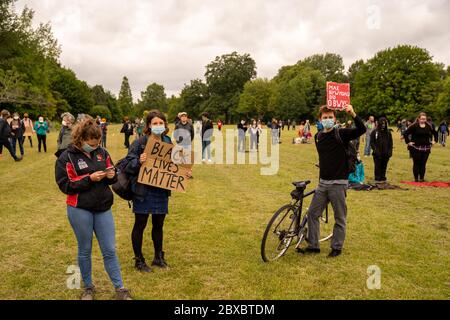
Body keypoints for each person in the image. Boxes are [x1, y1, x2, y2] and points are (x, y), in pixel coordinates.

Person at [55, 116, 132, 300]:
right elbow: (65, 185)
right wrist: (89, 179)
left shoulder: (102, 152)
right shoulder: (66, 157)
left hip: (103, 207)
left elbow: (112, 178)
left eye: (97, 143)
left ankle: (120, 289)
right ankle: (88, 287)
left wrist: (112, 175)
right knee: (84, 249)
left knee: (109, 250)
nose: (95, 146)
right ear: (80, 139)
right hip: (79, 208)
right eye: (91, 143)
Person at [123, 110, 192, 272]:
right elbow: (127, 164)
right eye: (155, 123)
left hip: (161, 189)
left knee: (158, 224)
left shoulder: (168, 141)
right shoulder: (140, 142)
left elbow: (176, 163)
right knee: (140, 224)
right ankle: (139, 260)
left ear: (165, 125)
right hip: (143, 190)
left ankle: (158, 257)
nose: (158, 126)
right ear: (148, 125)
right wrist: (139, 161)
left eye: (161, 123)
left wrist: (185, 172)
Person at [301, 105, 366, 258]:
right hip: (323, 183)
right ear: (320, 120)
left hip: (338, 183)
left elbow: (362, 129)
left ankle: (336, 247)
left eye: (331, 117)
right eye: (325, 118)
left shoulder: (341, 133)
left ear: (335, 119)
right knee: (312, 214)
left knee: (339, 217)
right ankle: (313, 245)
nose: (328, 120)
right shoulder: (318, 137)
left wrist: (353, 113)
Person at [404, 112, 438, 182]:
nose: (423, 120)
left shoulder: (429, 126)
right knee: (416, 163)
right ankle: (416, 179)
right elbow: (405, 133)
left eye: (424, 119)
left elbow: (435, 133)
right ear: (419, 119)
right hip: (415, 148)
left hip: (426, 148)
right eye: (422, 119)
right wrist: (408, 142)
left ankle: (422, 178)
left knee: (423, 163)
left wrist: (435, 141)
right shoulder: (414, 126)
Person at [370, 117, 393, 183]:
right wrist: (375, 149)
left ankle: (383, 177)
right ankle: (377, 178)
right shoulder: (374, 132)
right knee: (377, 166)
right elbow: (372, 142)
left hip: (386, 153)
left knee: (384, 165)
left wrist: (390, 151)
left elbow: (390, 143)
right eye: (382, 123)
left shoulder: (388, 133)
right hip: (377, 153)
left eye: (384, 123)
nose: (383, 125)